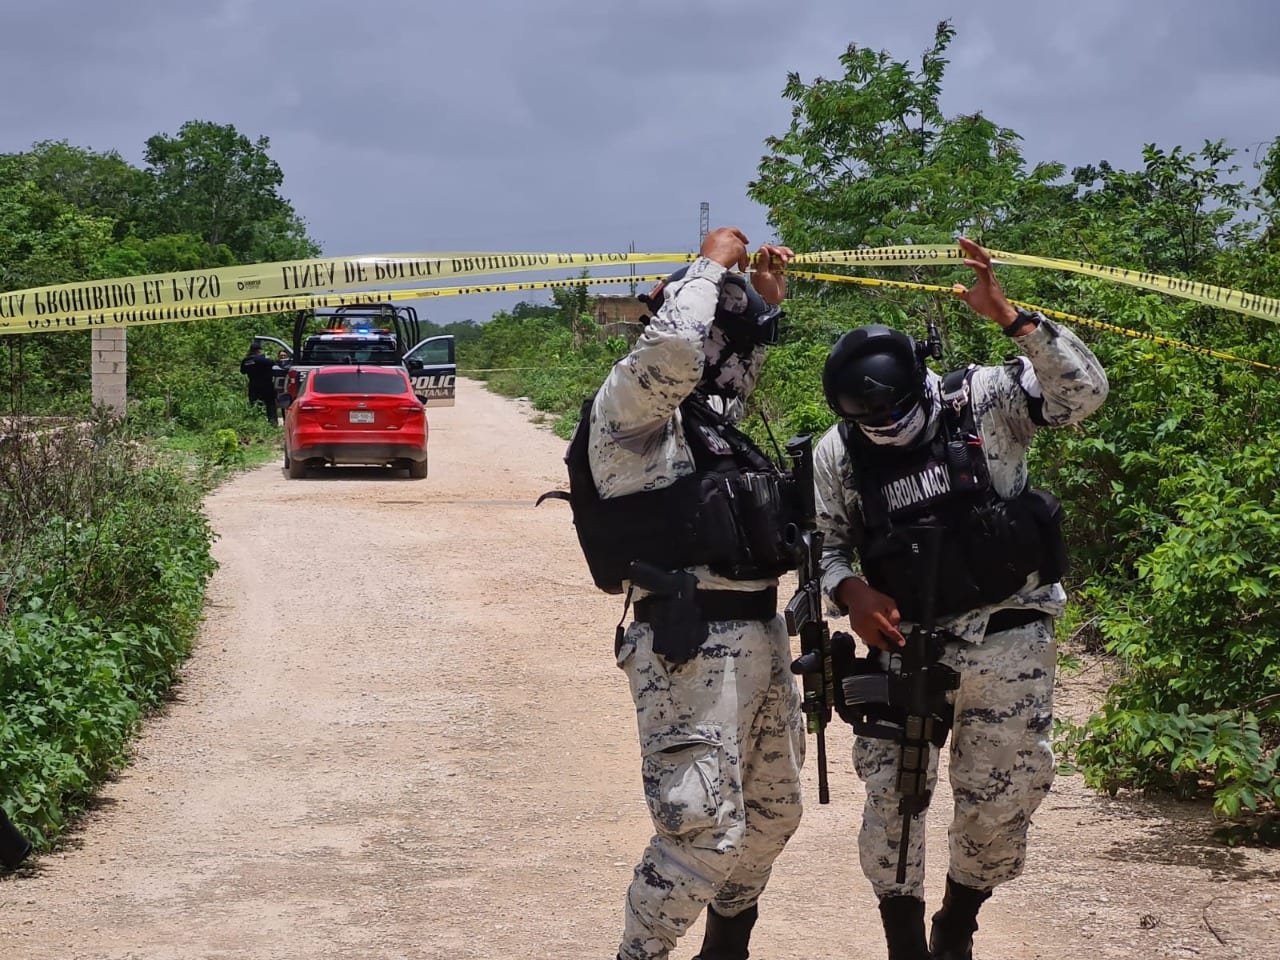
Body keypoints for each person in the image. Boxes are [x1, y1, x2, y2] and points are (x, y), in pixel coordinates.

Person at [813, 236, 1109, 960]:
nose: (886, 432)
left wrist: (1015, 320)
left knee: (1002, 797)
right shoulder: (837, 452)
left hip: (1008, 634)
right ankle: (905, 945)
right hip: (906, 644)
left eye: (896, 418)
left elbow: (1083, 396)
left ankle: (958, 923)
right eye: (870, 424)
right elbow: (822, 544)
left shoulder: (983, 397)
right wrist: (848, 589)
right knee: (894, 801)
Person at [581, 226, 801, 960]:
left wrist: (760, 305)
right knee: (703, 831)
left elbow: (728, 371)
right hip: (688, 644)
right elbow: (676, 353)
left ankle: (725, 951)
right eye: (714, 324)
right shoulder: (630, 410)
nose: (721, 350)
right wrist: (709, 265)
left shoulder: (706, 424)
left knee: (770, 817)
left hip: (759, 638)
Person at [240, 342, 278, 426]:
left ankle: (257, 424)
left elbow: (242, 371)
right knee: (270, 404)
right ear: (258, 350)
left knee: (255, 405)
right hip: (266, 386)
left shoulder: (246, 361)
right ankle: (273, 424)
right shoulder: (263, 359)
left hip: (253, 386)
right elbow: (274, 364)